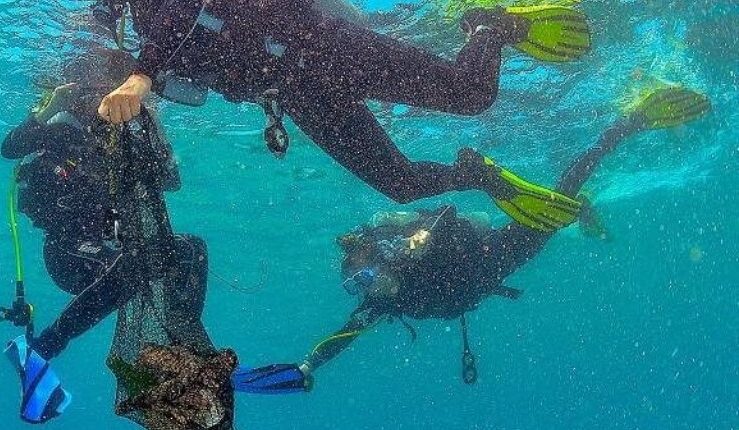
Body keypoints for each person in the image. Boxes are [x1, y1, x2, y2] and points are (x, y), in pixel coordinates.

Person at [64, 0, 591, 231]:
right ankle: (476, 175)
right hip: (296, 96)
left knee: (471, 95)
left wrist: (140, 76)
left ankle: (489, 27)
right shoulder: (141, 14)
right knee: (400, 185)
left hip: (324, 48)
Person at [291, 86, 710, 384]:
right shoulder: (382, 303)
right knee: (559, 209)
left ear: (379, 261)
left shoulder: (408, 249)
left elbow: (447, 211)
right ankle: (580, 208)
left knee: (557, 200)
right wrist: (308, 367)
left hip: (495, 250)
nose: (369, 289)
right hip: (495, 272)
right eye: (356, 288)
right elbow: (341, 338)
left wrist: (424, 238)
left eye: (365, 278)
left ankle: (628, 124)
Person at [0, 47, 215, 423]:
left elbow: (171, 182)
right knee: (133, 262)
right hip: (66, 251)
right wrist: (51, 106)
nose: (96, 94)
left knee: (190, 250)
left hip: (110, 241)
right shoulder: (58, 128)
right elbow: (9, 148)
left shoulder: (119, 135)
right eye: (89, 85)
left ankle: (184, 352)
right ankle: (44, 346)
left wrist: (155, 129)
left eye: (104, 83)